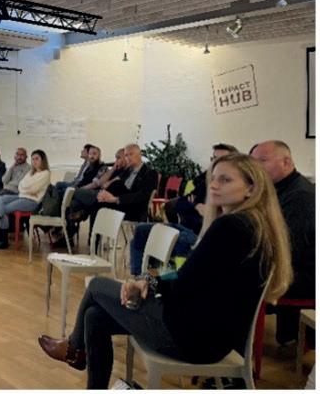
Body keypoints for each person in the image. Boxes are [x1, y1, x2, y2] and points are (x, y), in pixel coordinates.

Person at [38, 153, 292, 389]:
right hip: (210, 337)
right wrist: (147, 279)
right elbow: (186, 267)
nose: (214, 185)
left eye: (225, 180)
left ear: (251, 188)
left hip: (190, 337)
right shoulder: (251, 225)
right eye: (213, 178)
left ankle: (74, 348)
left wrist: (147, 284)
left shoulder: (230, 227)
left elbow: (183, 281)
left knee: (96, 286)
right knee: (95, 317)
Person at [129, 143, 238, 275]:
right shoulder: (204, 182)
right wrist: (197, 206)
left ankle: (161, 278)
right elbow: (180, 203)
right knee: (141, 231)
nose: (215, 163)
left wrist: (199, 207)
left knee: (170, 241)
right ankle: (139, 277)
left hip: (198, 234)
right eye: (213, 158)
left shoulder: (230, 193)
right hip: (184, 227)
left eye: (221, 159)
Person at [251, 140, 315, 344]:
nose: (255, 168)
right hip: (291, 266)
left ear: (286, 162)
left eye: (262, 161)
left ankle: (233, 347)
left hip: (305, 276)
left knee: (239, 275)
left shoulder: (300, 196)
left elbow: (287, 250)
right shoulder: (279, 189)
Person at [64, 144, 157, 246]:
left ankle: (86, 214)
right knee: (98, 206)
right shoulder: (128, 171)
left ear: (140, 154)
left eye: (131, 154)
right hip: (119, 204)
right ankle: (93, 243)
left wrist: (116, 199)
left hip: (134, 208)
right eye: (126, 155)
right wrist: (106, 194)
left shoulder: (150, 173)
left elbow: (142, 195)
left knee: (114, 188)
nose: (128, 158)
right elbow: (109, 183)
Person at [0, 150, 51, 250]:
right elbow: (21, 185)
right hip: (22, 196)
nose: (34, 161)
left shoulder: (45, 173)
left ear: (43, 160)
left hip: (32, 202)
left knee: (2, 208)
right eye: (33, 159)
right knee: (1, 199)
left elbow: (33, 188)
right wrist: (27, 188)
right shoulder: (31, 172)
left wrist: (26, 188)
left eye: (37, 159)